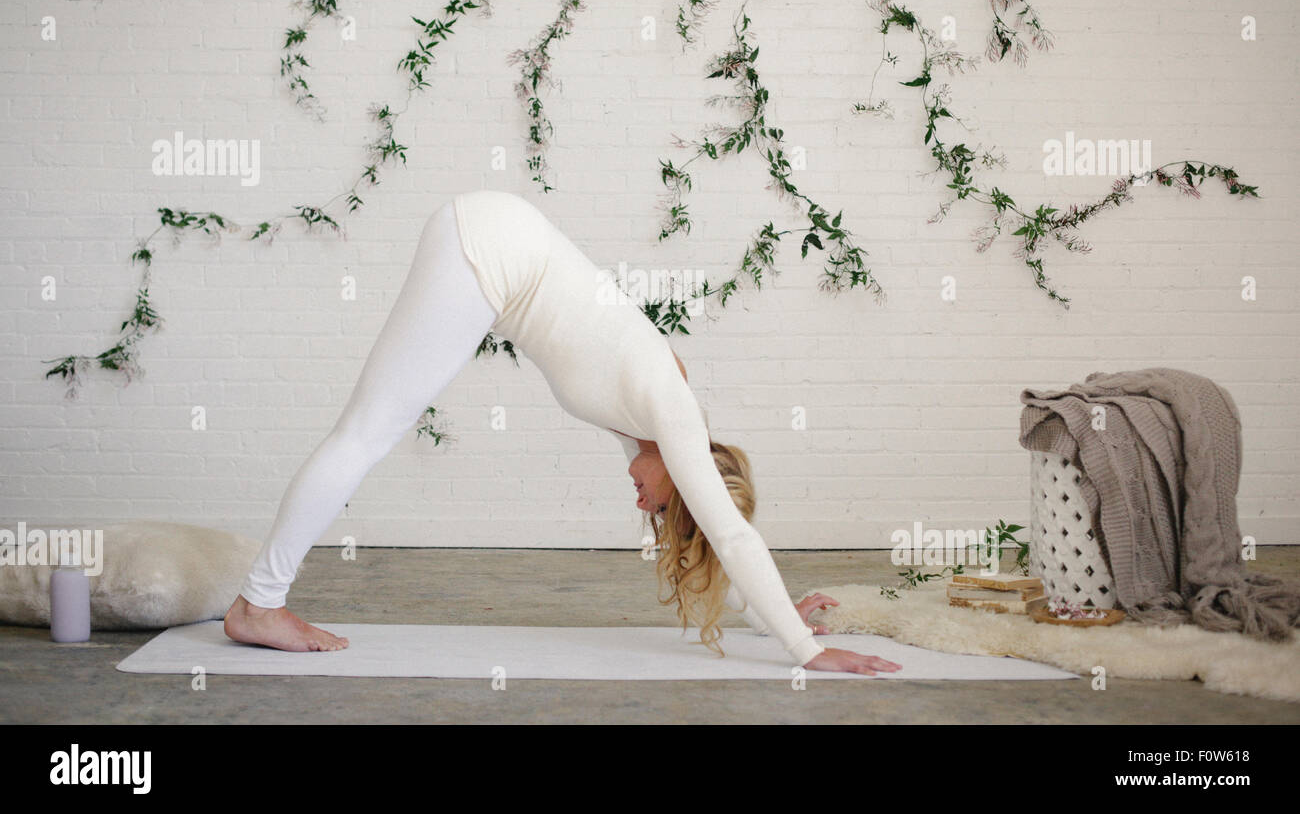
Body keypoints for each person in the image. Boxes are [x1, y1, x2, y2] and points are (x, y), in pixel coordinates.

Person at [224, 189, 902, 676]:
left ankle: (261, 600)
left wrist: (768, 615)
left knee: (367, 431)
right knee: (366, 434)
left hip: (494, 237)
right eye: (662, 506)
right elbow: (730, 532)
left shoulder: (644, 428)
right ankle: (260, 604)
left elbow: (715, 542)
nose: (643, 506)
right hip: (490, 247)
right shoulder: (671, 412)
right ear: (689, 477)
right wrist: (806, 651)